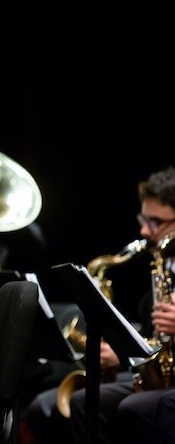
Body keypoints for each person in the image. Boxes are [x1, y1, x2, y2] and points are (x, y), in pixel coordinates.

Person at [60, 166, 175, 444]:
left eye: (156, 222)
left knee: (132, 408)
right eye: (143, 219)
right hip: (162, 379)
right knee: (83, 402)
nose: (144, 230)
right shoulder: (162, 274)